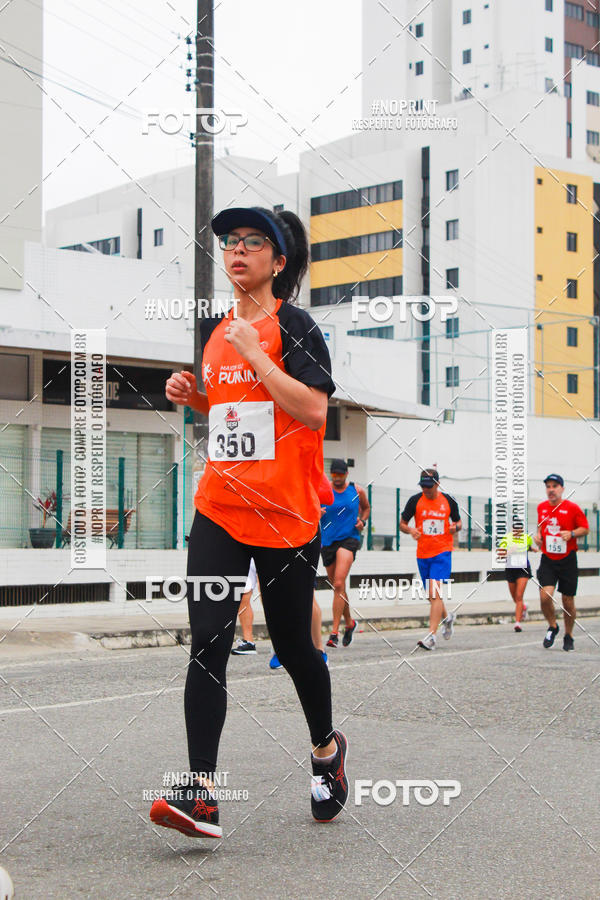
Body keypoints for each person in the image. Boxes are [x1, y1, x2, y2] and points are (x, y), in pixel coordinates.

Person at [150, 206, 348, 839]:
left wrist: (257, 355)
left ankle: (326, 751)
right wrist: (196, 398)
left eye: (253, 242)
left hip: (286, 516)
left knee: (293, 648)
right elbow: (236, 412)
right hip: (220, 509)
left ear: (278, 261)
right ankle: (201, 793)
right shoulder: (218, 333)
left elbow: (312, 410)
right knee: (208, 641)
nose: (237, 251)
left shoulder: (294, 326)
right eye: (230, 242)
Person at [270, 471, 334, 669]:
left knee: (307, 594)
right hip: (274, 536)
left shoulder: (305, 466)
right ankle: (281, 649)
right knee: (276, 595)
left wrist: (312, 506)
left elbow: (327, 494)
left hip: (303, 536)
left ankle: (319, 649)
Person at [400, 468, 461, 650]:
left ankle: (431, 636)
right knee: (431, 596)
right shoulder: (415, 501)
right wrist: (410, 530)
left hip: (442, 552)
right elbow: (402, 524)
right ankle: (447, 618)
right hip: (423, 553)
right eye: (423, 486)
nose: (426, 489)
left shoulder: (448, 500)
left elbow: (458, 522)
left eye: (429, 486)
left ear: (437, 484)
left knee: (434, 593)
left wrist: (455, 528)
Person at [535, 474, 589, 651]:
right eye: (548, 486)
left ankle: (569, 635)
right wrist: (538, 536)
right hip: (548, 559)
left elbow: (585, 528)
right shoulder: (542, 507)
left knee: (567, 600)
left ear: (562, 489)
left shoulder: (572, 508)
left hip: (567, 559)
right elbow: (541, 527)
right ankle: (553, 626)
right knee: (545, 596)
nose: (551, 490)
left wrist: (572, 534)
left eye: (555, 486)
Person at [319, 459, 370, 649]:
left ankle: (334, 633)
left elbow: (366, 508)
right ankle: (349, 622)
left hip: (349, 538)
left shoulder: (356, 490)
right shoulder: (324, 490)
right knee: (337, 588)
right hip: (327, 541)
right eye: (334, 475)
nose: (337, 478)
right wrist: (317, 511)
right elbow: (312, 507)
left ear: (346, 474)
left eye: (340, 475)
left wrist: (362, 521)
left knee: (339, 583)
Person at [498, 520, 536, 632]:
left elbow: (528, 546)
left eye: (520, 530)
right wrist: (509, 551)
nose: (518, 532)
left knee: (519, 596)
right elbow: (500, 555)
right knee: (514, 597)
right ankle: (523, 607)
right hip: (510, 569)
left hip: (523, 569)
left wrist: (533, 549)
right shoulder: (507, 538)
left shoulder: (526, 538)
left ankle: (517, 623)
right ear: (513, 530)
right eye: (516, 530)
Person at [231, 558, 258, 655]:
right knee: (243, 594)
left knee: (270, 595)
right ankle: (249, 642)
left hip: (270, 550)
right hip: (246, 554)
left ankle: (280, 643)